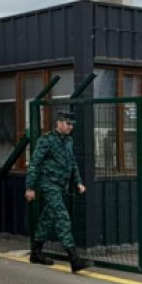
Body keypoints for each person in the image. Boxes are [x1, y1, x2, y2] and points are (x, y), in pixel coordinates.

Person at [25, 110, 90, 272]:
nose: (70, 127)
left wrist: (78, 182)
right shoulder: (46, 140)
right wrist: (30, 187)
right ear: (59, 123)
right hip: (49, 185)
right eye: (68, 124)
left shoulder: (68, 141)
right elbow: (35, 163)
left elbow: (72, 163)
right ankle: (74, 259)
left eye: (72, 125)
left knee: (47, 219)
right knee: (62, 218)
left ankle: (35, 253)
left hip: (62, 186)